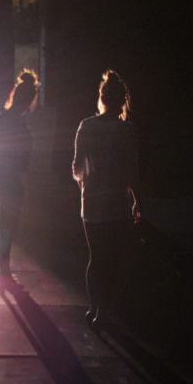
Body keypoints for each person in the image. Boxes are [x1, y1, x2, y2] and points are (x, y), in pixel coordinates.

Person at [73, 69, 141, 326]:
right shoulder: (128, 130)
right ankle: (106, 311)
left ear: (101, 97)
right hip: (115, 203)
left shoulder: (86, 126)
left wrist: (87, 182)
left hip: (90, 203)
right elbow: (131, 170)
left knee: (95, 258)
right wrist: (137, 200)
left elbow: (76, 167)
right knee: (112, 259)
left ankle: (94, 307)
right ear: (122, 100)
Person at [0, 69, 39, 288]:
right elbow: (18, 157)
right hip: (10, 178)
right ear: (28, 101)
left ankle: (4, 271)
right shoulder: (17, 122)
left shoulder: (2, 118)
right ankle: (4, 273)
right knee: (9, 226)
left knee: (5, 226)